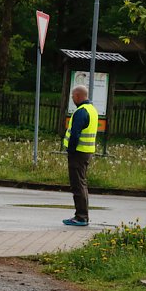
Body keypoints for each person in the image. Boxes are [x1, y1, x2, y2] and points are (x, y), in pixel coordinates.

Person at [62, 84, 98, 226]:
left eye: (72, 96)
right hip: (86, 152)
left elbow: (75, 134)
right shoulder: (92, 110)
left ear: (78, 96)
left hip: (78, 153)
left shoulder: (81, 111)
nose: (72, 98)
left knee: (78, 185)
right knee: (81, 183)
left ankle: (81, 217)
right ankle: (82, 215)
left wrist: (70, 150)